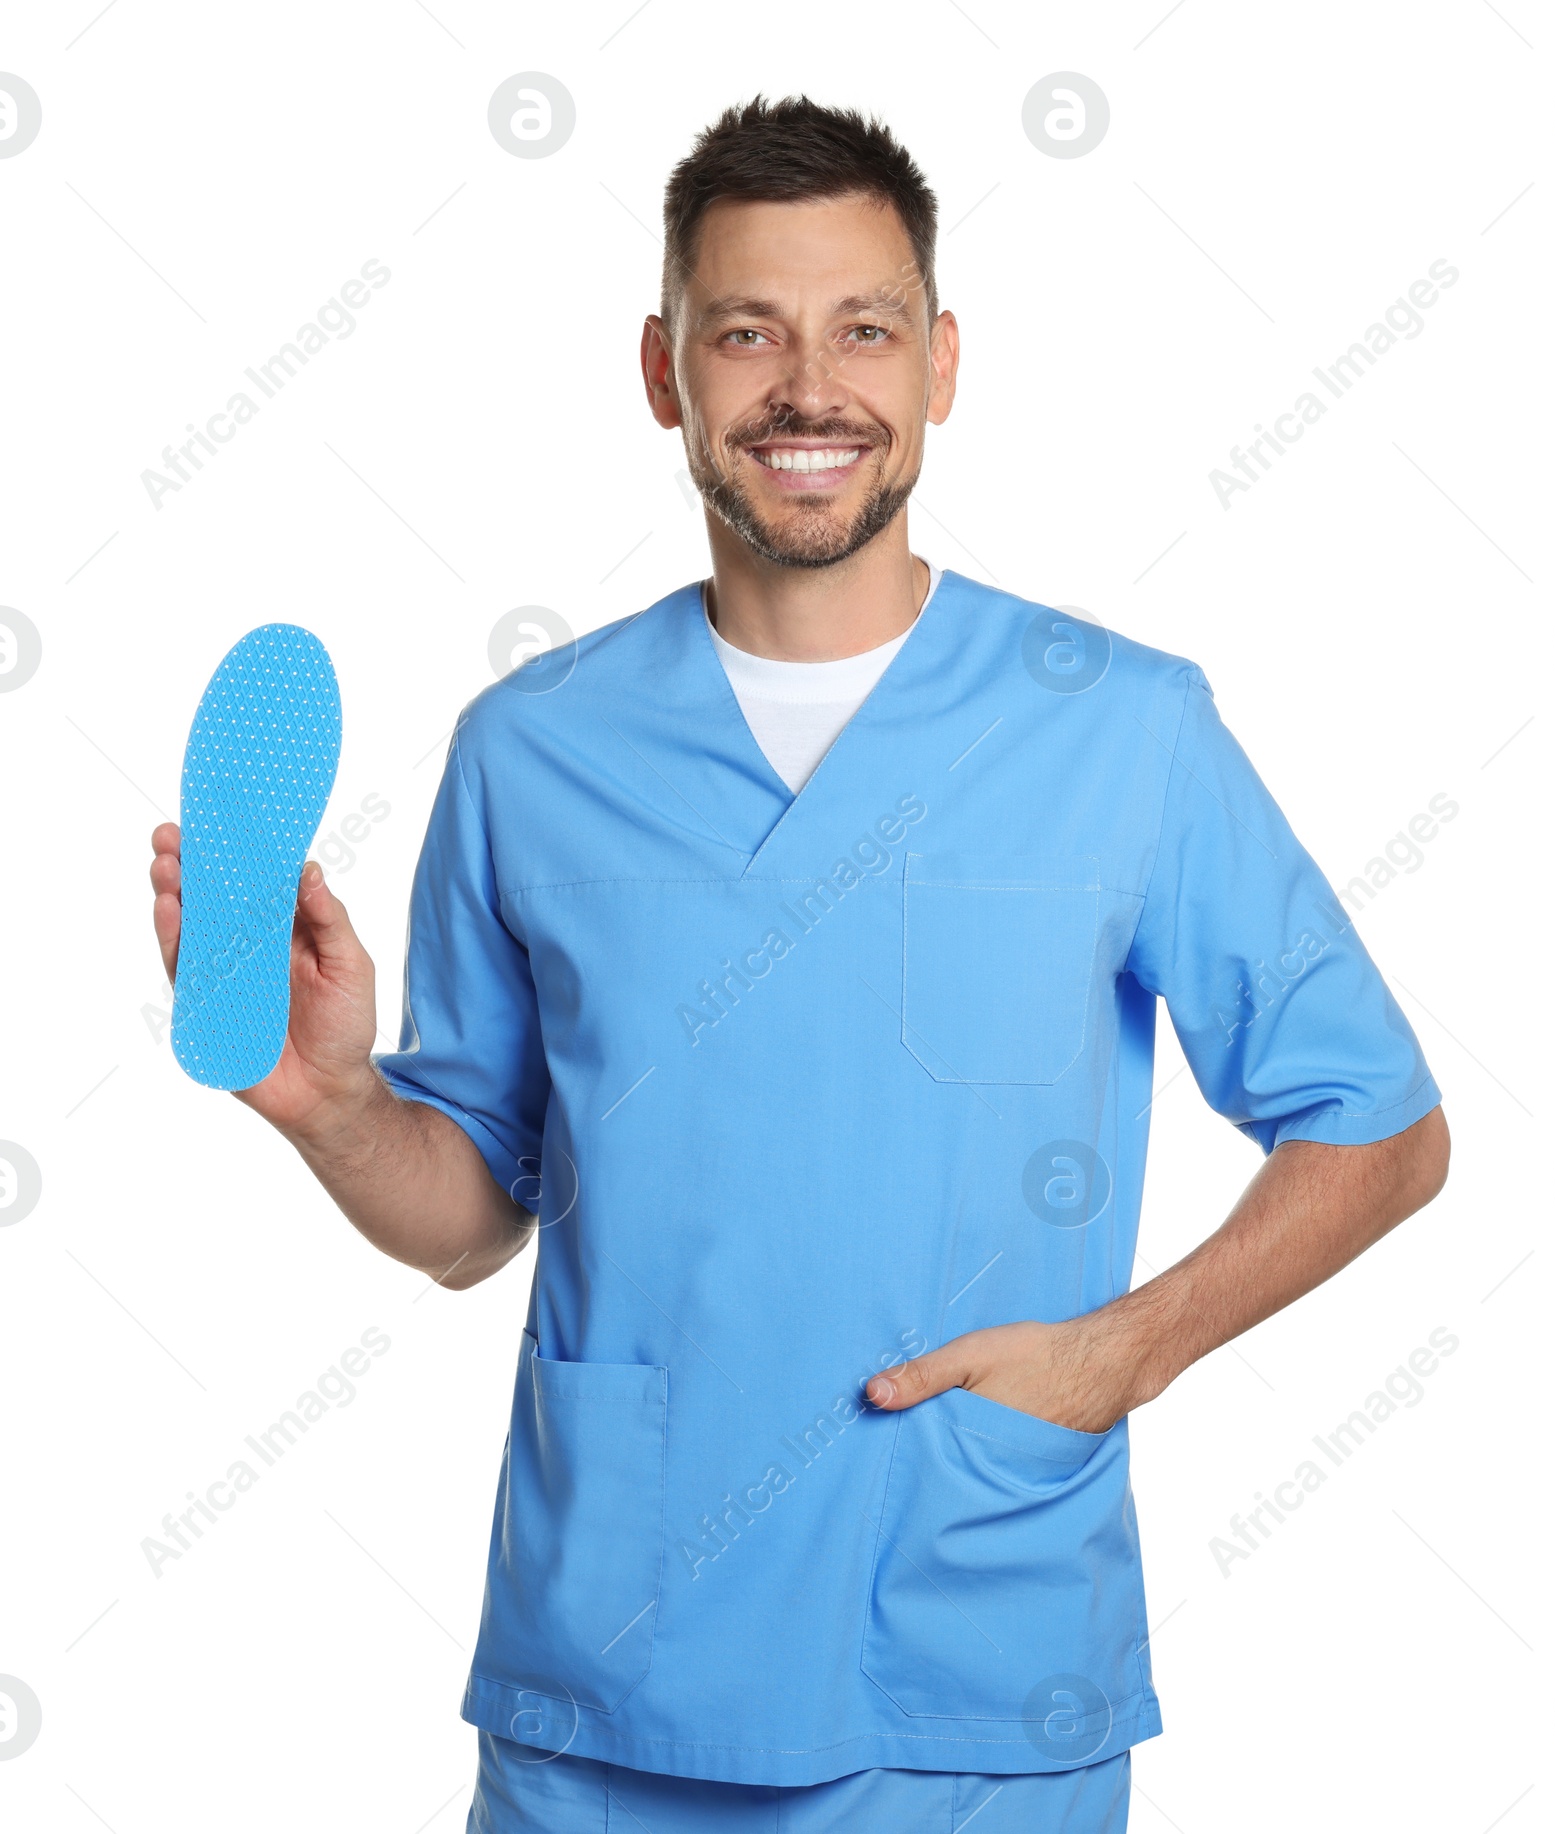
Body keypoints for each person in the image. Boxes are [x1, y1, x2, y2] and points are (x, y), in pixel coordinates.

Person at [149, 95, 1449, 1834]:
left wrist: (1123, 1353)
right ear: (663, 369)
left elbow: (1383, 1120)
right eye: (745, 330)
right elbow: (472, 1219)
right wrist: (324, 1102)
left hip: (978, 1674)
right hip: (609, 1681)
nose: (807, 388)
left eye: (865, 328)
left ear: (943, 364)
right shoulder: (530, 751)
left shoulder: (1123, 732)